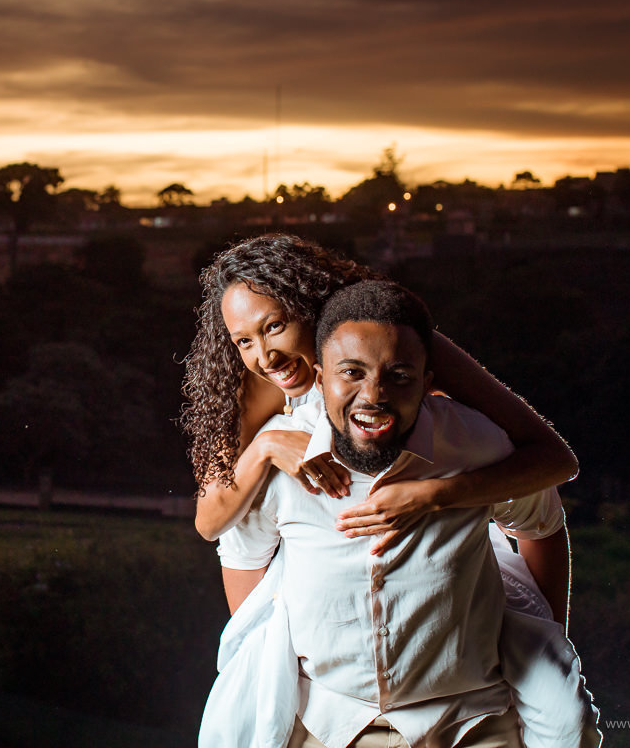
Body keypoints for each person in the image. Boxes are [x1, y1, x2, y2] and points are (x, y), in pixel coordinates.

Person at [201, 280, 599, 748]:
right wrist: (268, 660)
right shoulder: (276, 450)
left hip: (471, 718)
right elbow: (231, 541)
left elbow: (544, 515)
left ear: (428, 380)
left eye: (399, 376)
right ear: (322, 372)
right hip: (331, 722)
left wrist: (544, 645)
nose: (374, 394)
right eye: (350, 372)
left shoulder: (476, 444)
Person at [181, 234, 574, 622]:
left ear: (309, 305)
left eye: (274, 326)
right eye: (244, 341)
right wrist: (266, 445)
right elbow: (211, 522)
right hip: (320, 587)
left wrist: (433, 495)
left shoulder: (394, 345)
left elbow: (554, 461)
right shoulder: (256, 385)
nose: (266, 357)